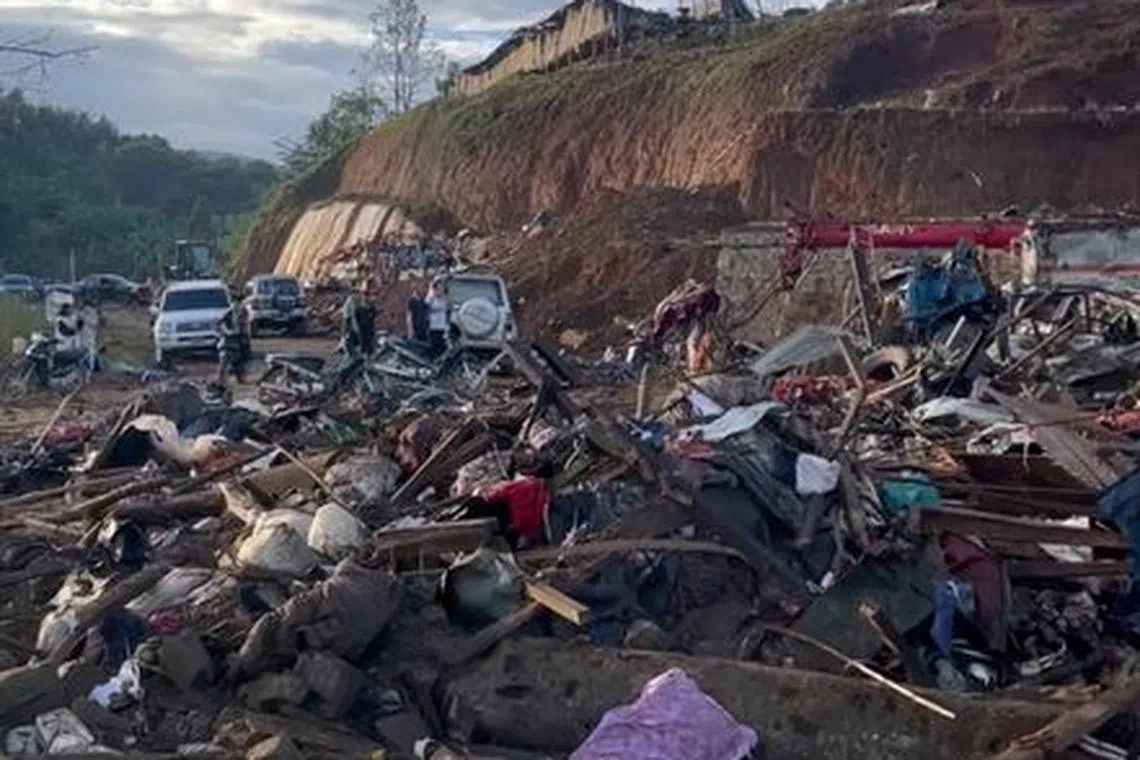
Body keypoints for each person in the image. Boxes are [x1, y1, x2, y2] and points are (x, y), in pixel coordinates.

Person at [215, 307, 246, 384]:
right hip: (228, 337)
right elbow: (219, 323)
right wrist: (223, 331)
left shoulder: (244, 310)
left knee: (239, 359)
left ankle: (240, 378)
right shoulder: (228, 312)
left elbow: (245, 323)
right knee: (223, 361)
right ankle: (220, 379)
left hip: (237, 337)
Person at [425, 281, 449, 357]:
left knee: (442, 347)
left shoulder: (444, 300)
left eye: (441, 289)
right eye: (438, 289)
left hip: (442, 327)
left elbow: (449, 309)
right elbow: (426, 309)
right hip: (433, 327)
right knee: (433, 346)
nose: (439, 291)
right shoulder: (430, 299)